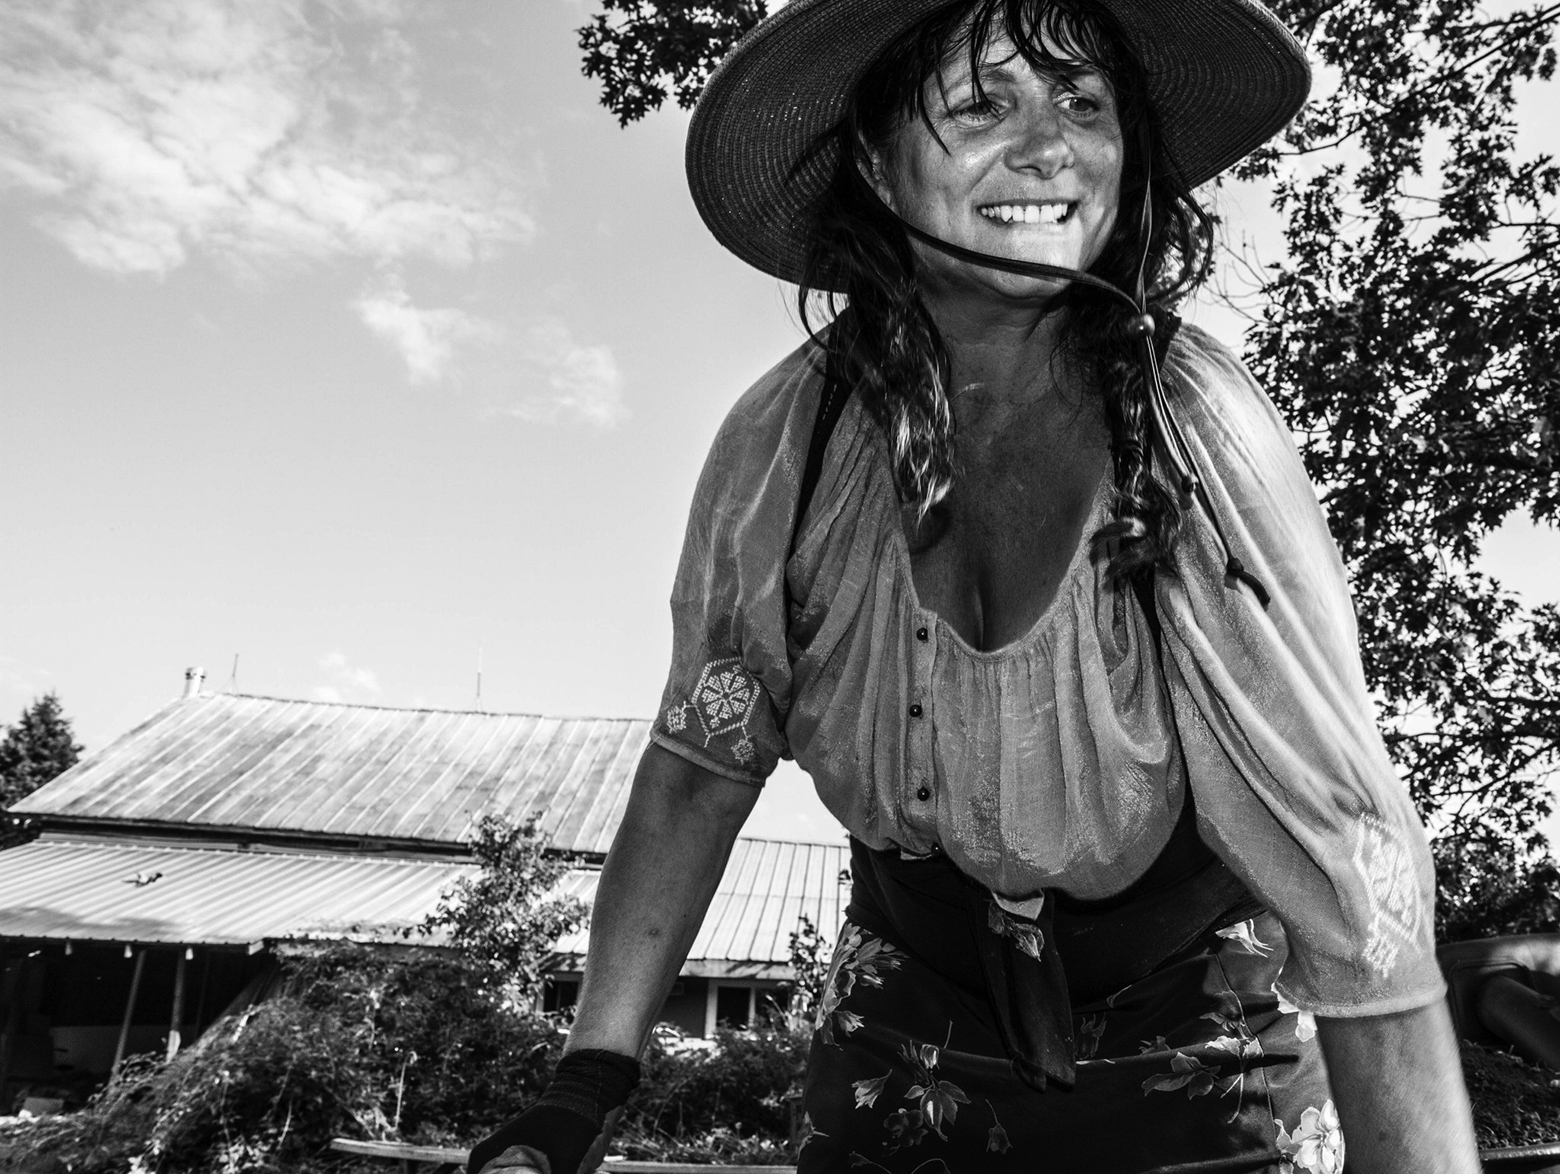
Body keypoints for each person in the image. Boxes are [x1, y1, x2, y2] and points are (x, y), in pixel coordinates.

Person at [469, 0, 1483, 1170]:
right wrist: (588, 1078)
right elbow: (703, 760)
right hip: (908, 1030)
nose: (1050, 145)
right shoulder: (789, 445)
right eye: (981, 102)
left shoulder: (1192, 434)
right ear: (874, 162)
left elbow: (1354, 867)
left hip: (1206, 1046)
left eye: (1084, 104)